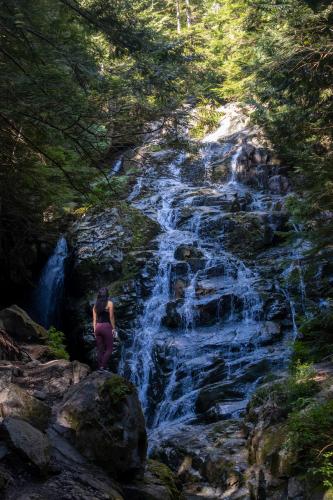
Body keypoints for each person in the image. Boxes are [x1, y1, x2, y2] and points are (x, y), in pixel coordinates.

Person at [92, 287, 116, 372]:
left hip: (98, 327)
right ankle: (102, 367)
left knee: (100, 349)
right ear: (107, 294)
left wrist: (95, 330)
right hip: (106, 326)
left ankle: (100, 368)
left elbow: (94, 320)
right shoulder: (110, 304)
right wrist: (113, 328)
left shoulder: (95, 306)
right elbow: (111, 317)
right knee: (109, 349)